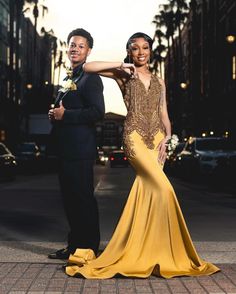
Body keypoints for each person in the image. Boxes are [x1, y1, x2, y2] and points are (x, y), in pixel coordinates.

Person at [65, 32, 220, 278]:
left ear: (150, 51)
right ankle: (149, 249)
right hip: (135, 137)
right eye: (135, 48)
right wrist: (120, 64)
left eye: (145, 47)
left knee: (149, 190)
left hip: (158, 140)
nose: (140, 52)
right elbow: (89, 67)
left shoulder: (159, 81)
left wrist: (168, 139)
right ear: (129, 52)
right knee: (164, 189)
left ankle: (152, 249)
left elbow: (164, 114)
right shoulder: (124, 75)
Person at [48, 28, 105, 260]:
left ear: (88, 51)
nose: (75, 48)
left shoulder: (91, 78)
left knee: (82, 199)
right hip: (65, 148)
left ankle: (89, 248)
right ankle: (74, 246)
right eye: (72, 44)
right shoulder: (69, 77)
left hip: (81, 149)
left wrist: (66, 115)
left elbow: (97, 112)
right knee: (70, 199)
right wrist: (55, 114)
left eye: (81, 46)